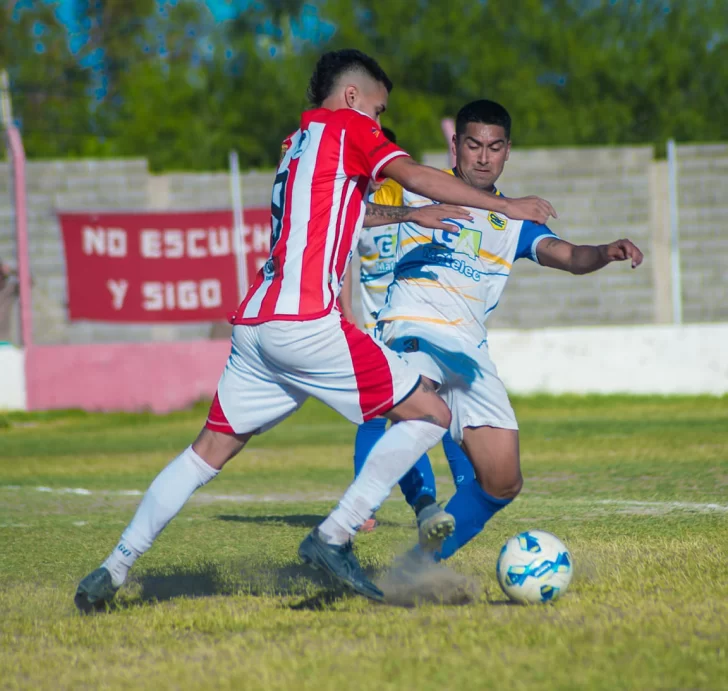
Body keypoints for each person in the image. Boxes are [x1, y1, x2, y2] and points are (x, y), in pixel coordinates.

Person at [74, 52, 557, 611]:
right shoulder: (349, 126)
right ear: (353, 99)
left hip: (255, 326)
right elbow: (419, 176)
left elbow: (342, 214)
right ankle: (335, 535)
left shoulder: (295, 145)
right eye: (378, 110)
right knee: (431, 413)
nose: (379, 123)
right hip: (305, 322)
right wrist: (511, 205)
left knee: (203, 453)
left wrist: (407, 217)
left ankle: (114, 567)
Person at [376, 99, 643, 563]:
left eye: (494, 147)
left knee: (502, 480)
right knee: (416, 407)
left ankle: (415, 568)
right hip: (412, 325)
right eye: (473, 145)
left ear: (507, 152)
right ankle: (407, 510)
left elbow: (569, 256)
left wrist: (604, 251)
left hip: (469, 349)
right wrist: (403, 215)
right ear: (455, 145)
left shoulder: (513, 219)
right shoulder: (417, 187)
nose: (483, 157)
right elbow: (352, 214)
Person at [339, 126, 474, 536]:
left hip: (417, 321)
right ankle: (371, 505)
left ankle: (464, 490)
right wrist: (346, 318)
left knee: (445, 403)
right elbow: (345, 268)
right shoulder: (354, 205)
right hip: (376, 331)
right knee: (380, 417)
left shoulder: (415, 195)